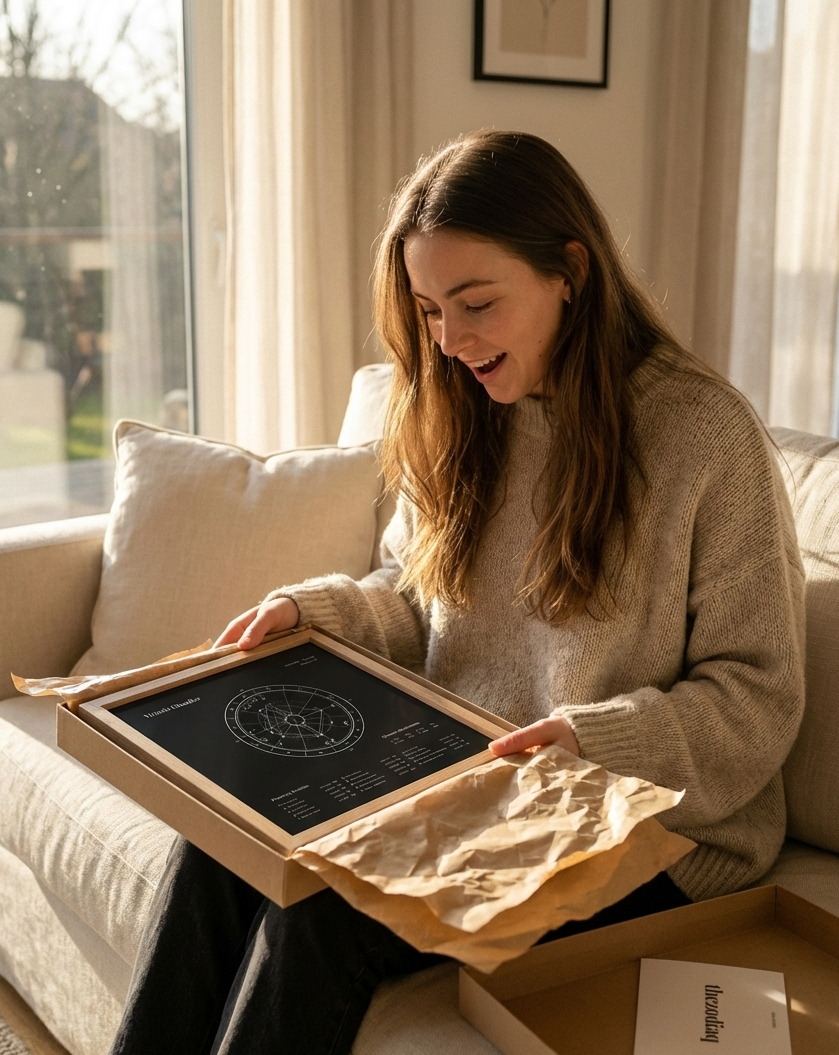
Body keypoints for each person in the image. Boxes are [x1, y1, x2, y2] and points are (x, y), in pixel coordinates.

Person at [109, 131, 805, 1055]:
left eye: (477, 303)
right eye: (431, 309)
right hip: (473, 786)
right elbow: (414, 595)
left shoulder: (706, 436)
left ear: (570, 272)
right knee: (227, 839)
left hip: (654, 834)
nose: (449, 340)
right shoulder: (464, 405)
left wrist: (590, 740)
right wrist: (314, 614)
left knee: (321, 917)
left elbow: (758, 698)